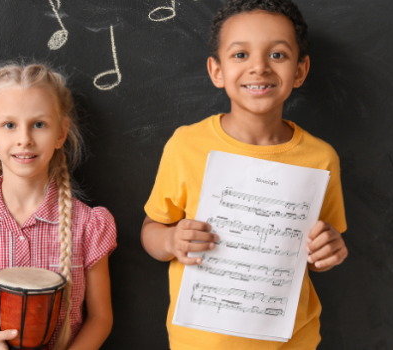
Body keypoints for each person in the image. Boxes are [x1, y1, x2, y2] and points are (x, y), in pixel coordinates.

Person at [139, 0, 349, 349]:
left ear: (300, 70)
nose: (259, 68)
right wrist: (170, 241)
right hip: (199, 342)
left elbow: (319, 250)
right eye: (240, 55)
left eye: (278, 55)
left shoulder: (320, 158)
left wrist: (332, 251)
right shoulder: (186, 145)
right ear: (216, 70)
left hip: (292, 341)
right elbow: (151, 230)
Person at [0, 62, 116, 350]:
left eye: (39, 124)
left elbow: (101, 317)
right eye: (9, 125)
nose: (24, 139)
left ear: (61, 132)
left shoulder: (88, 225)